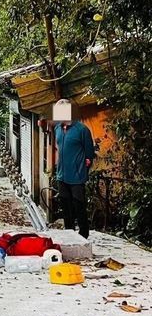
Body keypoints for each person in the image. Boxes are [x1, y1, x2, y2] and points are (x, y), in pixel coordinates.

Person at [54, 99, 95, 239]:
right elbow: (58, 148)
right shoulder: (57, 129)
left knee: (79, 206)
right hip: (61, 174)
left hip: (77, 176)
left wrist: (82, 168)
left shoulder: (82, 130)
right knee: (66, 206)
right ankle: (69, 233)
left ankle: (83, 234)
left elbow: (89, 154)